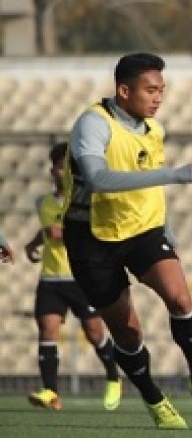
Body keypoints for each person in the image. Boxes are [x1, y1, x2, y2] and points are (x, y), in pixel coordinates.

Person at [62, 52, 192, 429]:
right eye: (150, 90)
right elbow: (100, 180)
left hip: (143, 228)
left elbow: (148, 182)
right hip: (92, 239)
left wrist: (167, 227)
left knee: (180, 298)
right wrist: (176, 175)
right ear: (124, 91)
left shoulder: (154, 130)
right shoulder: (92, 125)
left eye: (162, 90)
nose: (158, 98)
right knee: (128, 331)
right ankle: (154, 400)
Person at [23, 143, 123, 412]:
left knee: (94, 333)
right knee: (47, 331)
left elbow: (95, 233)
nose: (62, 171)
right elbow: (47, 230)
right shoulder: (42, 202)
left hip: (81, 277)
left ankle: (114, 375)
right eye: (59, 165)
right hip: (51, 279)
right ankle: (51, 392)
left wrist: (63, 234)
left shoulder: (85, 201)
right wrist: (34, 244)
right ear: (52, 170)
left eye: (67, 166)